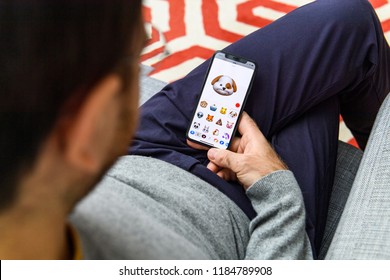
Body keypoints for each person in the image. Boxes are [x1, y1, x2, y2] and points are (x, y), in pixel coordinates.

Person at [0, 0, 388, 260]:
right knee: (328, 78)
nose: (152, 40)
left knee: (345, 20)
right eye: (134, 54)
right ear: (92, 121)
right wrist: (277, 189)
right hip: (247, 211)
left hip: (138, 153)